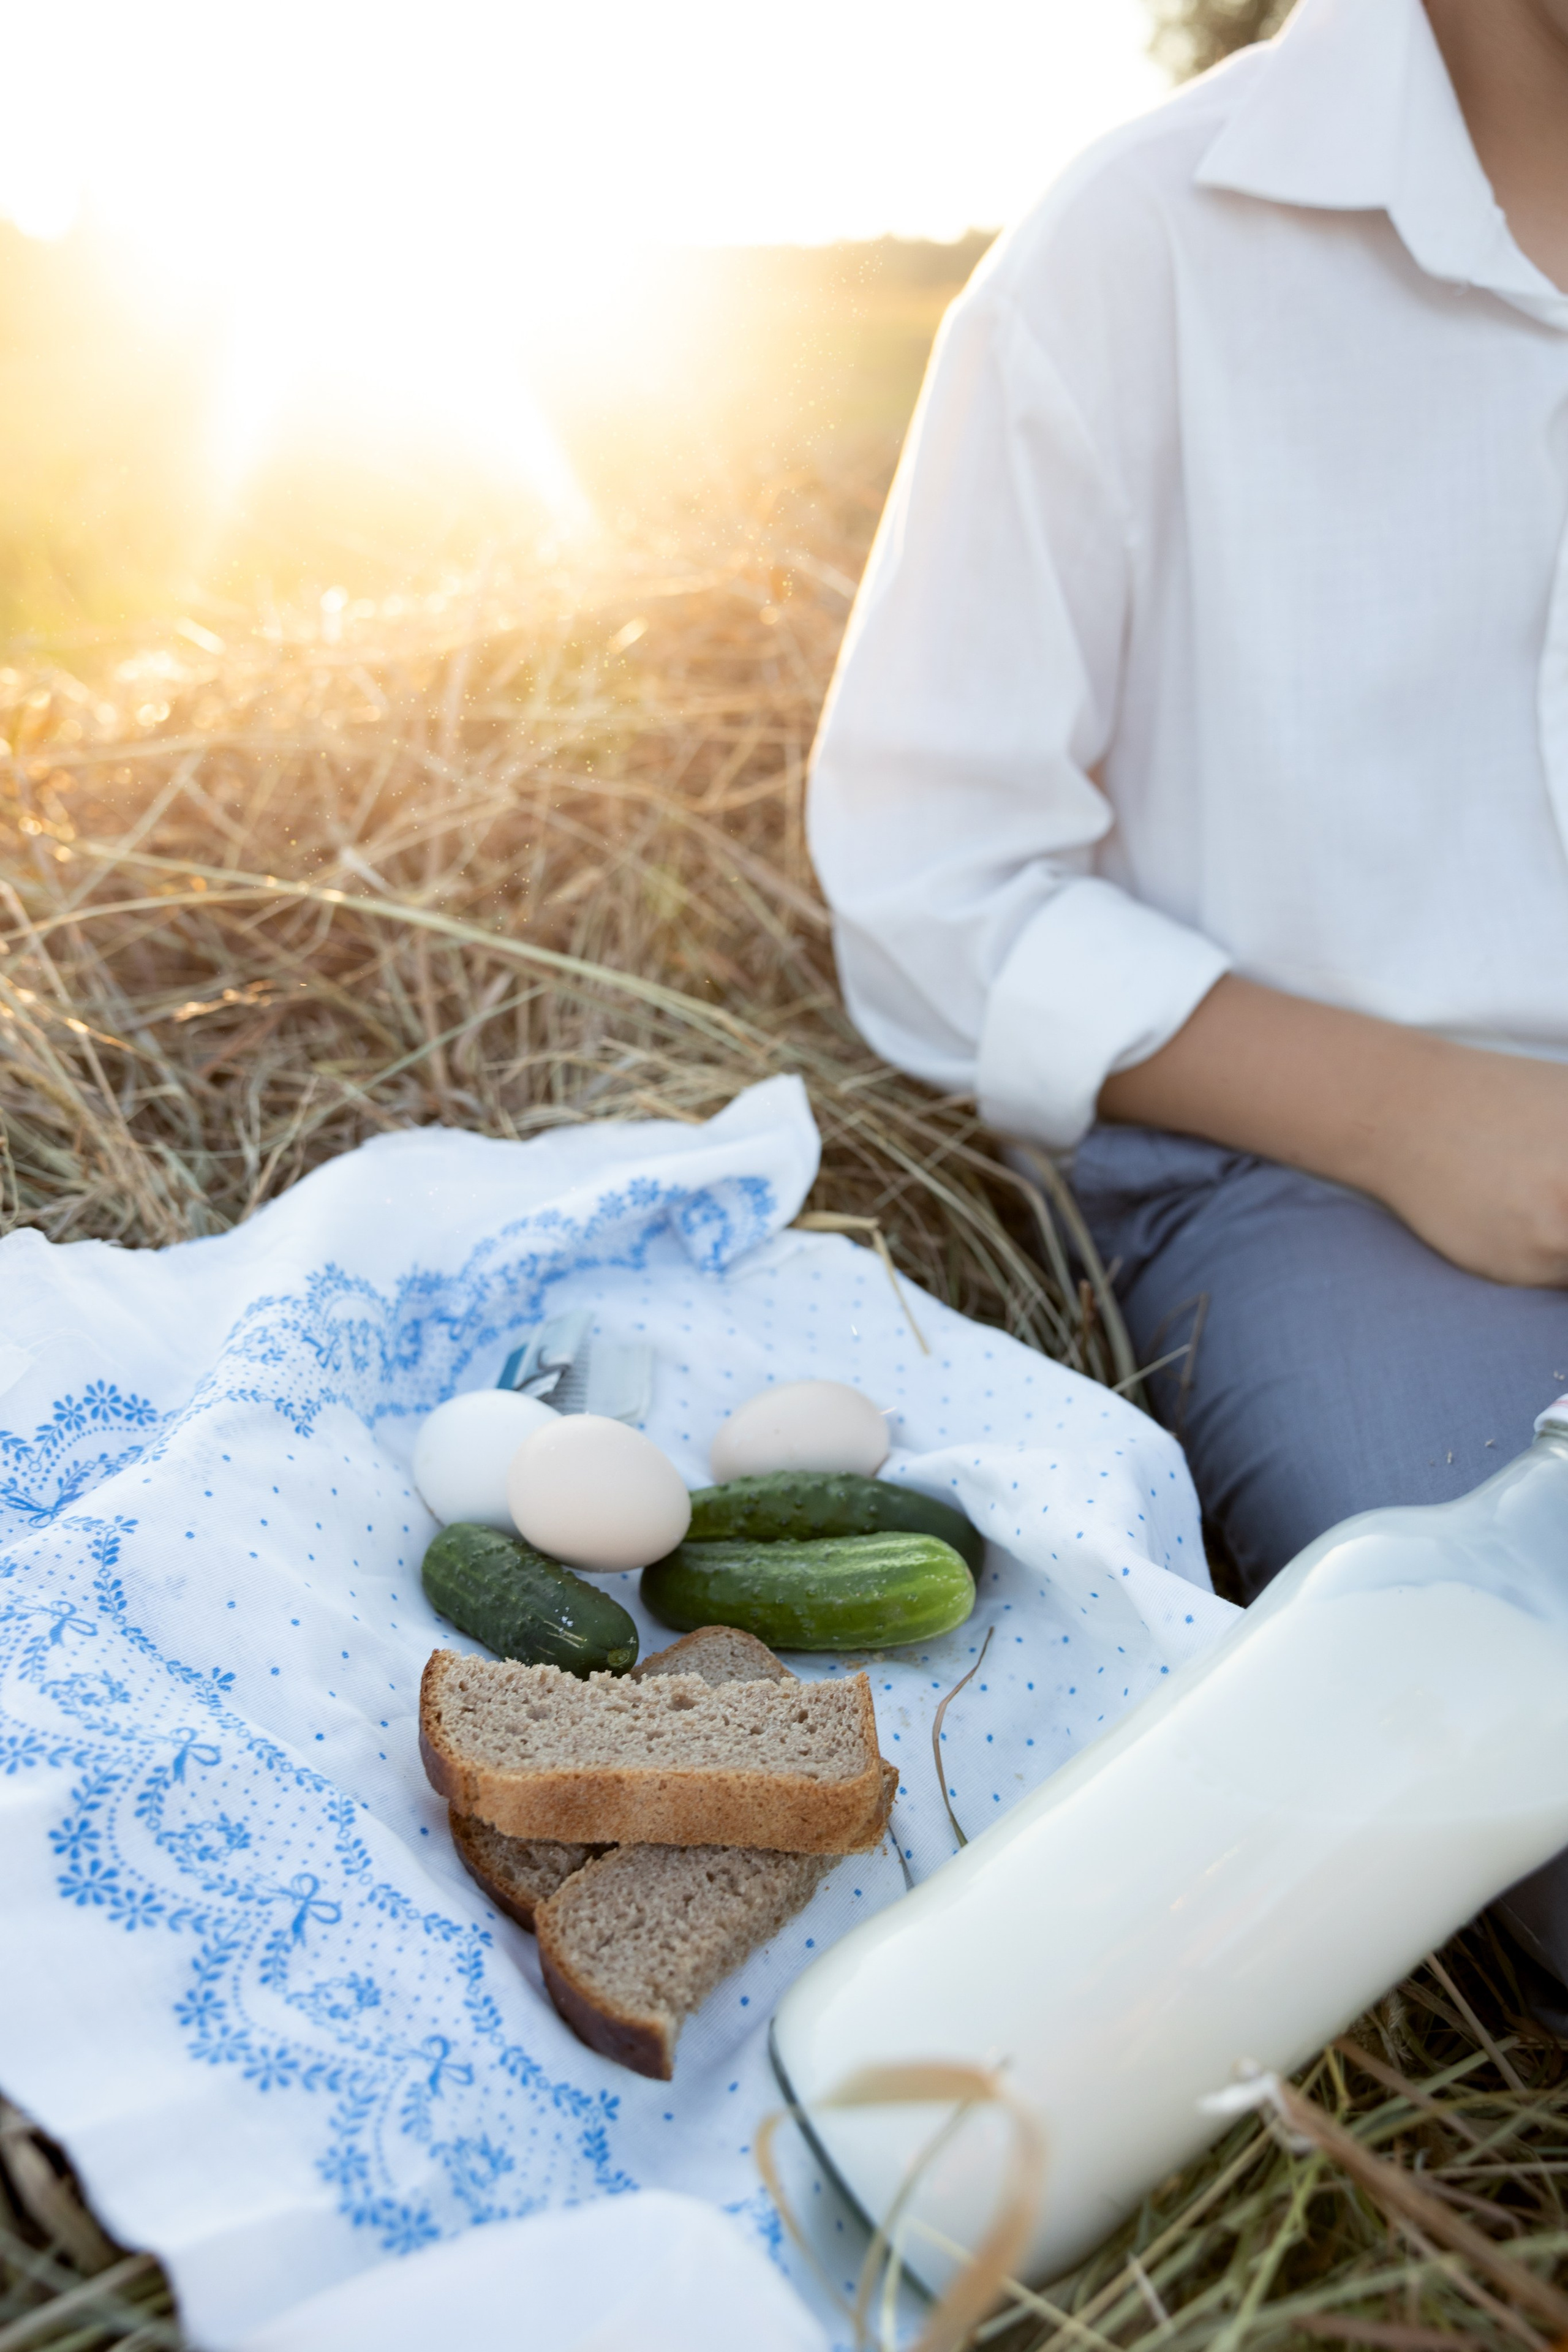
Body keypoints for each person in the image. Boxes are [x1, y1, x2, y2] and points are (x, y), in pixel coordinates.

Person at [807, 0, 1568, 1989]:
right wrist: (1419, 1113)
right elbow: (934, 878)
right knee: (1529, 1692)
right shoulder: (1142, 247)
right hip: (1319, 1180)